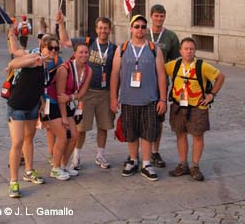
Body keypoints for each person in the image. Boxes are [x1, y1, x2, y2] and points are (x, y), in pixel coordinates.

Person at [56, 10, 116, 170]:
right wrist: (61, 23)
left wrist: (115, 96)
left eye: (106, 28)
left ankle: (100, 155)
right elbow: (65, 41)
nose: (103, 31)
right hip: (86, 92)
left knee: (103, 126)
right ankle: (76, 157)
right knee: (81, 128)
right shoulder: (88, 42)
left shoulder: (115, 49)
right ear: (96, 29)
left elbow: (117, 72)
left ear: (110, 30)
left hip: (105, 93)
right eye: (100, 28)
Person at [110, 15, 167, 181]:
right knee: (131, 132)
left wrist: (163, 99)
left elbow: (161, 75)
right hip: (128, 99)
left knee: (148, 132)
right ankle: (133, 160)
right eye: (136, 26)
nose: (140, 30)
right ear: (131, 28)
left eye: (143, 26)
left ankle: (147, 163)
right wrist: (114, 97)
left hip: (149, 99)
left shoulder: (154, 49)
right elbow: (114, 74)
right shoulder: (121, 48)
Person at [165, 37, 225, 181]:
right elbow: (159, 70)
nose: (188, 51)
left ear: (195, 50)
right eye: (186, 48)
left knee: (197, 136)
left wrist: (211, 95)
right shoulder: (174, 65)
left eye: (191, 48)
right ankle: (183, 164)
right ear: (180, 51)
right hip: (179, 107)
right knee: (180, 134)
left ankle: (195, 166)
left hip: (198, 107)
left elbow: (220, 77)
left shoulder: (202, 66)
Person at [5, 46, 51, 198]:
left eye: (56, 49)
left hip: (32, 106)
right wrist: (35, 57)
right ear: (42, 48)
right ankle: (13, 182)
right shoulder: (33, 60)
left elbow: (38, 87)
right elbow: (13, 63)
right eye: (49, 48)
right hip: (17, 106)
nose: (53, 52)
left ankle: (29, 171)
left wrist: (42, 103)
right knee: (17, 142)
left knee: (29, 138)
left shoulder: (46, 66)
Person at [47, 43, 92, 180]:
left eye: (86, 52)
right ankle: (55, 168)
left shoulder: (88, 70)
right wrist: (65, 118)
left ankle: (63, 165)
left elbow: (82, 92)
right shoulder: (64, 69)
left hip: (68, 103)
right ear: (74, 53)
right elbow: (60, 96)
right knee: (62, 136)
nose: (84, 55)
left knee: (74, 136)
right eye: (81, 52)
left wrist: (71, 97)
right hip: (53, 103)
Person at [147, 4, 180, 168]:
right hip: (142, 83)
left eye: (161, 16)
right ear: (151, 16)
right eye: (156, 16)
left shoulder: (171, 37)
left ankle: (154, 151)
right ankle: (141, 152)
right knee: (141, 117)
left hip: (161, 84)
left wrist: (176, 87)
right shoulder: (143, 33)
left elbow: (176, 64)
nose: (159, 19)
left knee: (158, 118)